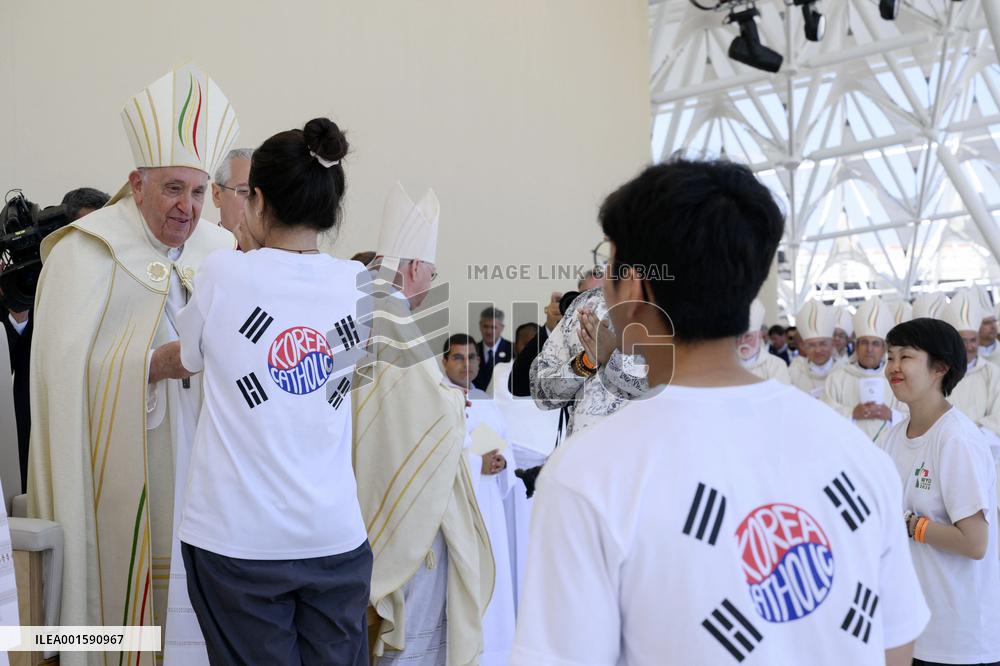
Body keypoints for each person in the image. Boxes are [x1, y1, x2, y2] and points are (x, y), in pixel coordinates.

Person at [512, 158, 928, 665]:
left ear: (636, 288)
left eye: (608, 263)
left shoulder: (588, 476)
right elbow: (894, 647)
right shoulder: (863, 462)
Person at [27, 64, 239, 666]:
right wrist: (149, 365)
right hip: (118, 481)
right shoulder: (84, 252)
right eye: (173, 189)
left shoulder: (221, 253)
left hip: (206, 479)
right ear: (135, 183)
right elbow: (62, 382)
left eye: (200, 192)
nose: (188, 209)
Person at [167, 117, 372, 664]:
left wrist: (119, 364)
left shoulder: (224, 274)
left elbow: (184, 357)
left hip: (239, 542)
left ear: (256, 200)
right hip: (335, 537)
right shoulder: (359, 287)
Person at [353, 182, 492, 666]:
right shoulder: (391, 313)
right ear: (414, 267)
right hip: (405, 520)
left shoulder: (362, 299)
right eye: (432, 271)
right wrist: (452, 403)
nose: (431, 281)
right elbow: (426, 416)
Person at [879, 317, 1000, 665]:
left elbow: (975, 543)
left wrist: (908, 524)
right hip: (916, 627)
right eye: (891, 357)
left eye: (906, 357)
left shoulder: (955, 438)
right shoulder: (895, 435)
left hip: (960, 638)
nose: (893, 368)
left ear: (940, 368)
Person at [443, 334, 516, 666]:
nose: (466, 364)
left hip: (491, 511)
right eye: (458, 358)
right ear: (444, 362)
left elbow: (503, 444)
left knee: (495, 584)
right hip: (456, 513)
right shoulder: (436, 400)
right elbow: (439, 454)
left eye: (471, 357)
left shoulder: (487, 402)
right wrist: (477, 463)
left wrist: (502, 462)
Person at [530, 285, 648, 437]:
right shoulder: (587, 302)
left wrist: (612, 356)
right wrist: (584, 363)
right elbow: (541, 394)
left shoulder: (676, 303)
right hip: (581, 451)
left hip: (644, 450)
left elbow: (671, 383)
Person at [824, 298, 907, 445]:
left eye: (875, 344)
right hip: (849, 451)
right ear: (856, 347)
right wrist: (852, 414)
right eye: (864, 343)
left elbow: (912, 415)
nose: (869, 349)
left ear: (884, 349)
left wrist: (890, 415)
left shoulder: (897, 378)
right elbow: (823, 414)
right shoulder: (837, 378)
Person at [940, 289, 1000, 452]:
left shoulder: (992, 372)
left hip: (983, 447)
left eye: (973, 340)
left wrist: (970, 438)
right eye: (963, 341)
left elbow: (998, 415)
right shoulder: (940, 373)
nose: (968, 347)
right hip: (946, 447)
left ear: (978, 340)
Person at [210, 147, 256, 250]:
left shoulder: (280, 256)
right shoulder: (199, 252)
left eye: (262, 194)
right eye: (244, 191)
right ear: (217, 195)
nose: (257, 203)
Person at [789, 300, 837, 399]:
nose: (818, 350)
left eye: (823, 344)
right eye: (811, 345)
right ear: (803, 347)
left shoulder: (844, 373)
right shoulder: (793, 374)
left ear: (832, 344)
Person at [739, 299, 791, 383]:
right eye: (737, 337)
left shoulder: (776, 365)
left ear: (760, 335)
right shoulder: (725, 365)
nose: (742, 341)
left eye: (748, 336)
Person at [473, 306, 513, 391]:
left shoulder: (513, 350)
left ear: (502, 328)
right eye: (485, 326)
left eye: (493, 327)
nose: (489, 331)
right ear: (480, 326)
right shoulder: (472, 350)